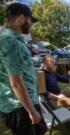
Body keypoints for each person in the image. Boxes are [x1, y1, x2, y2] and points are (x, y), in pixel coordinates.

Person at [0, 3, 47, 135]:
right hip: (20, 107)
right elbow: (16, 83)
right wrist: (31, 111)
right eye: (30, 20)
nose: (31, 24)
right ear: (21, 18)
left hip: (26, 102)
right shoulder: (10, 42)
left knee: (41, 130)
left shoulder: (11, 39)